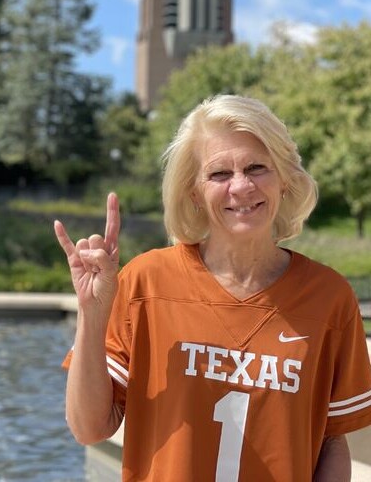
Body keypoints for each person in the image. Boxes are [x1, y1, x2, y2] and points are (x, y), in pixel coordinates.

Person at [55, 94, 371, 481]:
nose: (241, 187)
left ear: (284, 179)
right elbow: (89, 429)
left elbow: (331, 440)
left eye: (257, 168)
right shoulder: (145, 281)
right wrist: (92, 311)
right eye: (219, 174)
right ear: (194, 192)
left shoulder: (330, 298)